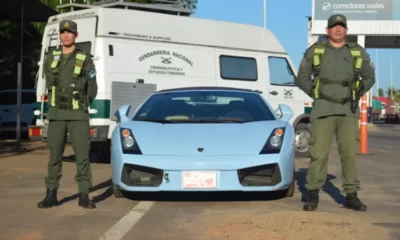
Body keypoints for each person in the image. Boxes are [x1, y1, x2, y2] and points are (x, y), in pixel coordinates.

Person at [295, 14, 375, 211]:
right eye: (334, 27)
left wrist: (356, 93)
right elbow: (302, 78)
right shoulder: (316, 51)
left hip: (348, 110)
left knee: (348, 153)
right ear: (327, 30)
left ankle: (351, 195)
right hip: (323, 109)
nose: (338, 30)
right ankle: (312, 194)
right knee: (319, 153)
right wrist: (315, 93)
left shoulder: (357, 52)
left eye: (341, 26)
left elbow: (369, 77)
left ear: (346, 30)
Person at [37, 19, 98, 209]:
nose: (65, 35)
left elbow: (92, 88)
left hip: (78, 115)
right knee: (54, 156)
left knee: (82, 156)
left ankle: (84, 195)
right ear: (59, 35)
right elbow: (48, 82)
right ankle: (51, 194)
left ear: (75, 35)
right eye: (63, 32)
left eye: (69, 32)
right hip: (56, 115)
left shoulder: (85, 58)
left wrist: (81, 104)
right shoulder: (51, 57)